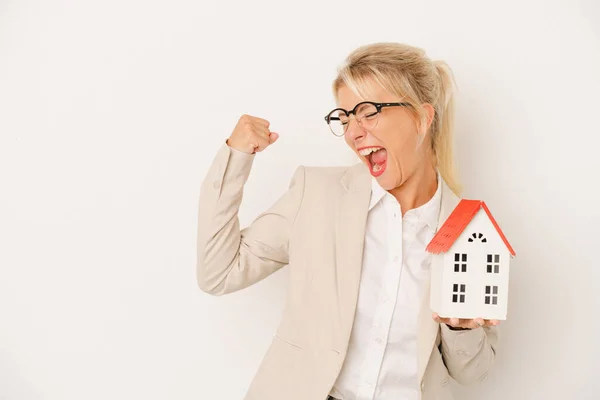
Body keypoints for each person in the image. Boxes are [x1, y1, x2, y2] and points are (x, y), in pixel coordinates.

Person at [196, 42, 499, 400]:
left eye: (368, 112)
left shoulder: (469, 230)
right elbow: (218, 273)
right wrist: (235, 156)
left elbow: (473, 373)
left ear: (422, 117)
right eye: (344, 118)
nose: (353, 132)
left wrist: (459, 328)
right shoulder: (316, 195)